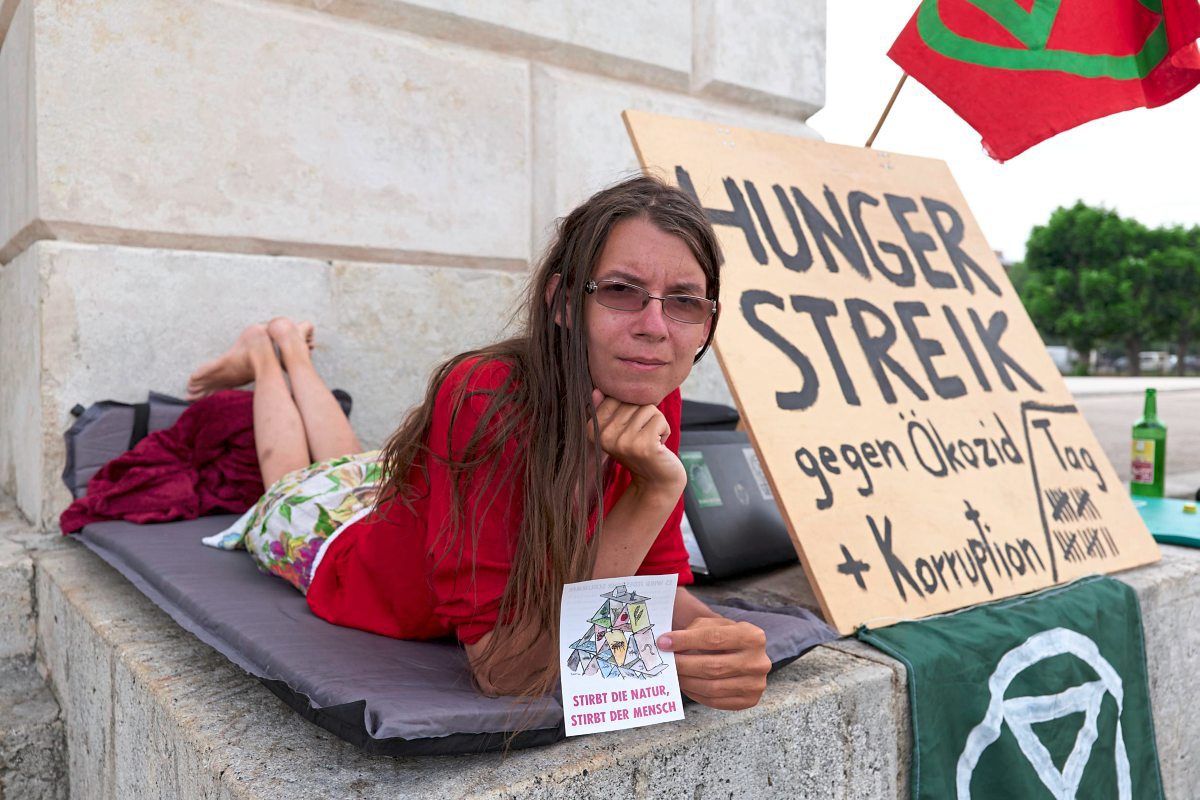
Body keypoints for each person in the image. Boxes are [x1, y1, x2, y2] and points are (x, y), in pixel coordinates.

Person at [190, 175, 772, 711]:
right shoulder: (486, 397)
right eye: (622, 290)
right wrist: (654, 490)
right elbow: (510, 669)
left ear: (707, 321)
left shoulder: (646, 376)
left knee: (348, 463)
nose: (655, 326)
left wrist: (713, 642)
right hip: (338, 548)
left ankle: (289, 346)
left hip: (393, 506)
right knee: (293, 476)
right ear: (564, 302)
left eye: (685, 301)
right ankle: (271, 356)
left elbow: (649, 580)